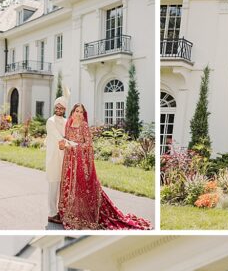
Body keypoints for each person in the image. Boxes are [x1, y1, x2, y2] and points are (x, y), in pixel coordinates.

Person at [58, 104, 151, 231]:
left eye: (81, 112)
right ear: (72, 112)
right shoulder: (68, 124)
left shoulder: (84, 125)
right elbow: (66, 139)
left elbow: (89, 144)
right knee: (70, 187)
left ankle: (83, 215)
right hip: (69, 161)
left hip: (81, 162)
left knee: (82, 187)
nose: (78, 114)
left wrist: (75, 146)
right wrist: (63, 144)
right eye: (76, 111)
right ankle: (70, 213)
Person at [45, 86, 70, 225]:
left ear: (65, 109)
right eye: (57, 107)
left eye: (62, 108)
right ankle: (51, 213)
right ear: (55, 108)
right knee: (53, 186)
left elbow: (68, 135)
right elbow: (60, 138)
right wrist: (74, 143)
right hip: (54, 158)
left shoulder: (66, 122)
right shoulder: (51, 121)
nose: (59, 109)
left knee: (62, 186)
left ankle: (61, 211)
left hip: (64, 158)